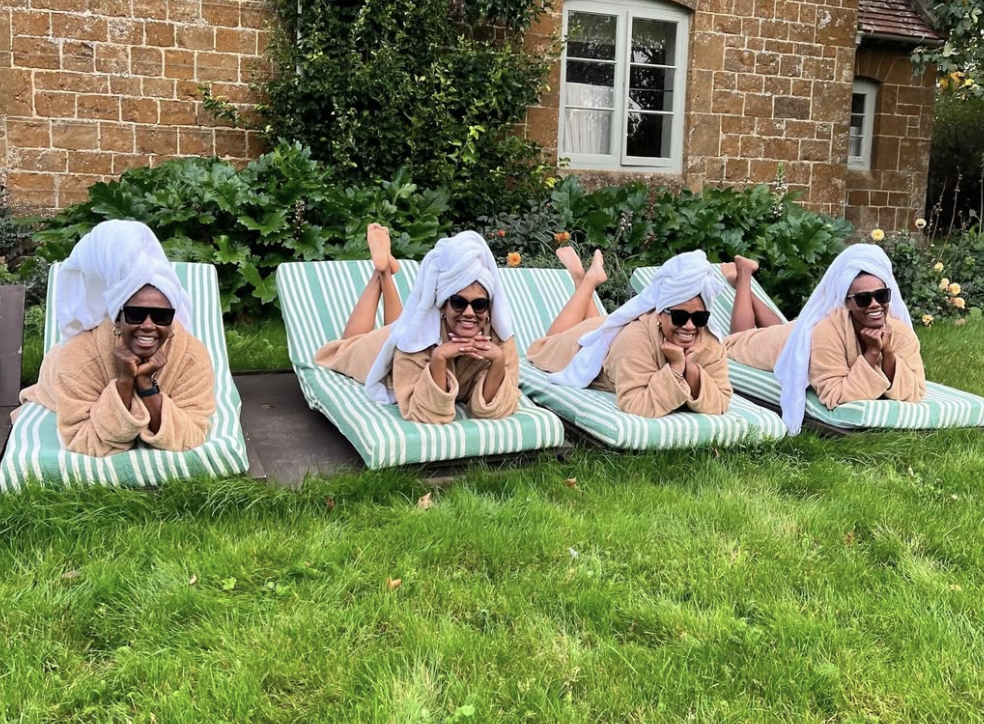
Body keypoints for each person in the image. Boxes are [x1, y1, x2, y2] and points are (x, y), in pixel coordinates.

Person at [17, 221, 216, 457]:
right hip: (55, 380)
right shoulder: (76, 359)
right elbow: (83, 440)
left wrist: (145, 386)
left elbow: (192, 434)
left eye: (162, 316)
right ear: (117, 319)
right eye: (136, 314)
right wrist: (124, 382)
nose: (149, 326)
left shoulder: (192, 356)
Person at [315, 225, 520, 424]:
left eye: (479, 304)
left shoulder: (499, 340)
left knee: (400, 324)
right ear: (442, 306)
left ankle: (385, 271)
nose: (469, 313)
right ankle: (381, 274)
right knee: (345, 347)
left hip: (403, 329)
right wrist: (438, 358)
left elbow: (499, 405)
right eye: (458, 303)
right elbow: (423, 412)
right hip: (381, 349)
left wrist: (498, 361)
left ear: (488, 308)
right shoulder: (417, 339)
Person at [721, 244, 926, 435]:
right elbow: (834, 395)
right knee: (738, 340)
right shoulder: (828, 333)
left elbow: (915, 390)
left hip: (795, 331)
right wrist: (872, 353)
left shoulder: (901, 334)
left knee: (784, 328)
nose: (874, 305)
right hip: (785, 343)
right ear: (847, 303)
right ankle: (744, 276)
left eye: (881, 295)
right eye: (863, 299)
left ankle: (743, 281)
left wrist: (887, 352)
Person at [526, 246, 732, 418]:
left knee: (601, 327)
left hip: (609, 330)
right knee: (546, 343)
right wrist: (677, 368)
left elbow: (722, 401)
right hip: (580, 345)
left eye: (699, 318)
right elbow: (635, 404)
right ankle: (584, 280)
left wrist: (693, 371)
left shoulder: (710, 341)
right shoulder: (635, 340)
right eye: (679, 316)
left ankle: (585, 281)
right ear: (660, 314)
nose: (689, 326)